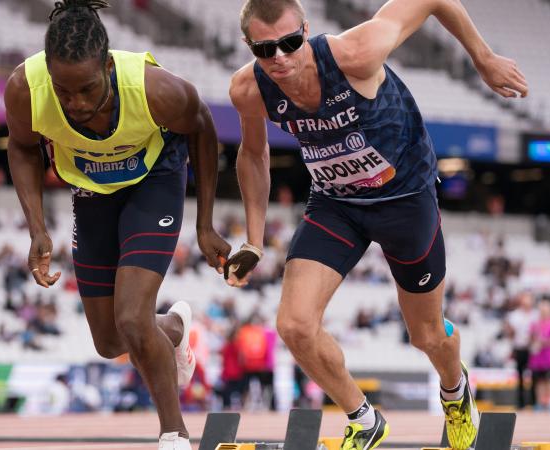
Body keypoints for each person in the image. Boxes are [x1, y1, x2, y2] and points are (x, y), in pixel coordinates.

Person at [225, 0, 527, 448]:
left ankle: (455, 390)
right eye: (266, 50)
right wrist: (253, 239)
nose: (280, 58)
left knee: (425, 334)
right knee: (294, 325)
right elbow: (252, 153)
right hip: (336, 202)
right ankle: (363, 419)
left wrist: (482, 58)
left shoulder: (356, 53)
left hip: (404, 200)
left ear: (306, 31)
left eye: (290, 43)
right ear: (250, 47)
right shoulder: (248, 89)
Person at [4, 1, 231, 448]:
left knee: (131, 316)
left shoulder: (155, 89)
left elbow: (203, 128)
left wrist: (205, 225)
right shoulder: (24, 89)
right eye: (63, 91)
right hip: (91, 192)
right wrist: (37, 228)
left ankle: (174, 434)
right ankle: (174, 330)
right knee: (109, 342)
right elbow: (22, 147)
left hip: (155, 180)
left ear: (107, 66)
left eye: (87, 88)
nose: (77, 104)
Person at [505, 291, 539, 409]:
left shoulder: (536, 314)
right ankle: (520, 402)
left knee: (534, 376)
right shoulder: (514, 315)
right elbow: (510, 332)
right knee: (519, 376)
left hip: (532, 349)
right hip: (519, 348)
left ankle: (534, 402)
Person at [529, 299, 550, 411]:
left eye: (545, 310)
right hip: (538, 358)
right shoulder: (535, 323)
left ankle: (549, 402)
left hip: (549, 357)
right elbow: (531, 338)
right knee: (539, 381)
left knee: (549, 380)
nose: (543, 313)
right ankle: (540, 402)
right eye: (541, 310)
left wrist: (543, 342)